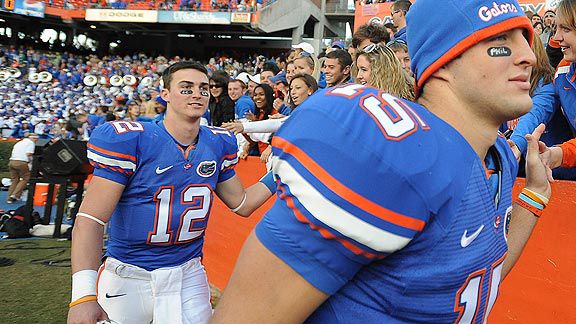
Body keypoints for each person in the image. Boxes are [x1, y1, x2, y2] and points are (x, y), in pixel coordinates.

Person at [212, 0, 553, 322]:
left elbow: (474, 276)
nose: (528, 56)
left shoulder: (500, 158)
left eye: (525, 39)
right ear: (444, 60)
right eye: (500, 42)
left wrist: (534, 195)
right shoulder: (393, 151)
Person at [66, 61, 274, 324]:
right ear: (165, 94)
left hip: (188, 274)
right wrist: (83, 295)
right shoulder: (134, 140)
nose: (197, 94)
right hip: (128, 275)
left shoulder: (218, 142)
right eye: (186, 88)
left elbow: (242, 203)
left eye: (203, 88)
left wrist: (279, 173)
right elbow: (91, 219)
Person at [509, 0, 576, 180]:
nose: (556, 37)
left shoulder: (546, 84)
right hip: (548, 175)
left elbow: (537, 109)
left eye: (566, 29)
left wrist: (558, 154)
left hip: (563, 175)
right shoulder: (563, 73)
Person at [7, 133, 38, 203]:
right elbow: (28, 154)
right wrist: (32, 162)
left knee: (15, 179)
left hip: (11, 162)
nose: (37, 140)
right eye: (36, 139)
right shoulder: (31, 143)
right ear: (33, 138)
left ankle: (9, 198)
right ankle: (15, 195)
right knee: (25, 178)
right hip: (21, 162)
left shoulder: (19, 142)